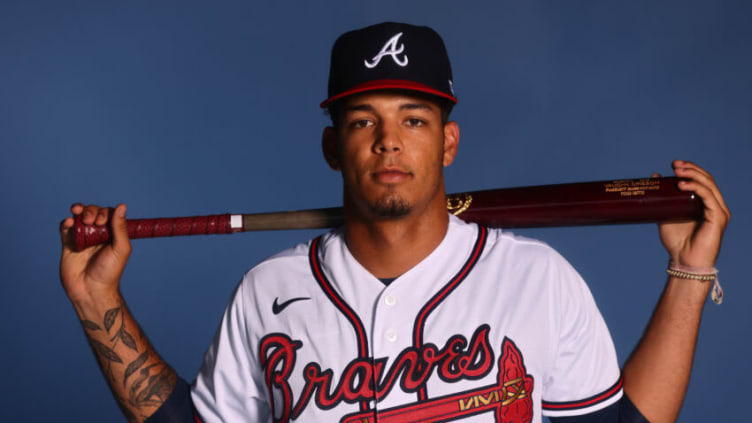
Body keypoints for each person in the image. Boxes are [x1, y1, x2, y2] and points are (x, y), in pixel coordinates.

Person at [59, 22, 730, 423]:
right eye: (362, 121)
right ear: (332, 148)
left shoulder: (537, 278)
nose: (388, 141)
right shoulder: (268, 291)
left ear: (448, 142)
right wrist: (96, 301)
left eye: (414, 119)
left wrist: (689, 274)